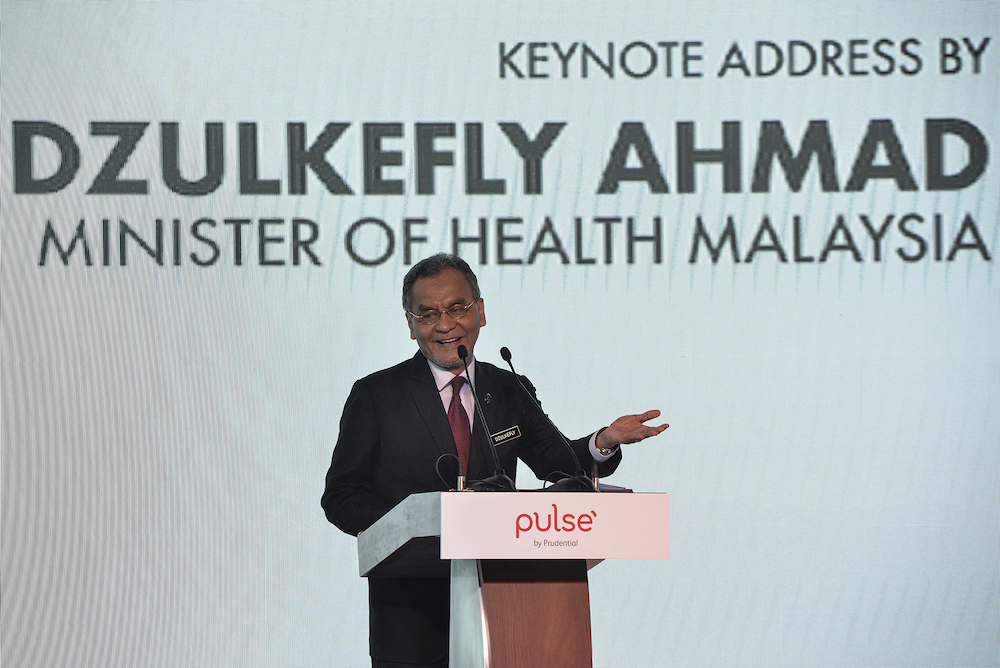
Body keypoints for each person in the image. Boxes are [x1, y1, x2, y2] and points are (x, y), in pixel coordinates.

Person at [322, 253, 667, 668]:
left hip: (511, 607)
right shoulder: (376, 394)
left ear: (480, 312)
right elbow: (341, 494)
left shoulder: (509, 388)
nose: (444, 324)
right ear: (410, 324)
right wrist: (408, 525)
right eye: (427, 313)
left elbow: (559, 467)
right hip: (412, 614)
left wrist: (604, 440)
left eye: (457, 308)